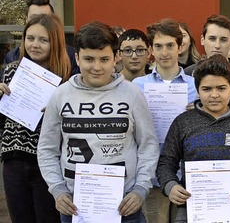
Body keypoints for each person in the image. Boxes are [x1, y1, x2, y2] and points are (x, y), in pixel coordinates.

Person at [37, 21, 159, 222]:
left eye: (104, 59)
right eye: (89, 59)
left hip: (125, 205)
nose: (97, 67)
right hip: (75, 206)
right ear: (77, 58)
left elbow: (148, 145)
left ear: (115, 58)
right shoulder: (60, 95)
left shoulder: (133, 94)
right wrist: (57, 189)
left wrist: (140, 188)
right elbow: (47, 149)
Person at [156, 55, 230, 223]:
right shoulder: (182, 122)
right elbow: (165, 163)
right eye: (207, 89)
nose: (214, 95)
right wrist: (171, 186)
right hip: (191, 210)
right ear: (197, 91)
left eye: (221, 88)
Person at [0, 13, 71, 223]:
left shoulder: (66, 81)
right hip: (14, 160)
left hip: (47, 165)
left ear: (55, 42)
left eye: (43, 39)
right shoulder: (11, 72)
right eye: (30, 38)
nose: (35, 45)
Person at [131, 18, 198, 223]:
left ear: (180, 47)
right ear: (151, 49)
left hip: (188, 172)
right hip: (152, 172)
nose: (165, 52)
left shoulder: (196, 86)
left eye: (170, 45)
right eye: (158, 46)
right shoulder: (138, 86)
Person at [3, 0, 79, 75]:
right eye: (30, 38)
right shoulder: (12, 57)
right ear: (26, 20)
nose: (35, 45)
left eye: (45, 19)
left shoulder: (72, 58)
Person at [185, 14, 230, 86]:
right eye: (212, 39)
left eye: (223, 40)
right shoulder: (189, 74)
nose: (217, 46)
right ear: (202, 40)